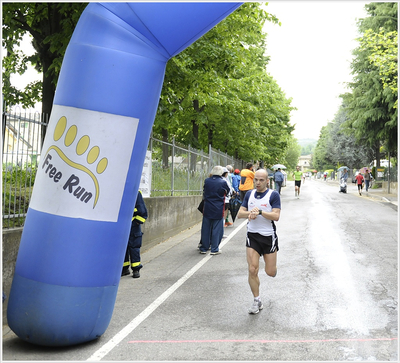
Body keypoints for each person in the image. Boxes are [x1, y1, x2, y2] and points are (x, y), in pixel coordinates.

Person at [237, 169, 281, 314]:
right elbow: (239, 214)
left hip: (268, 237)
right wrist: (250, 213)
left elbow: (276, 216)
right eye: (256, 179)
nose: (258, 182)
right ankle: (257, 301)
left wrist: (261, 212)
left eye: (261, 180)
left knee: (270, 271)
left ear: (267, 181)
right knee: (252, 269)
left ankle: (273, 268)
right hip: (253, 236)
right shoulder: (249, 194)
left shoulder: (273, 195)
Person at [199, 165, 230, 255]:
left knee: (205, 228)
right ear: (221, 173)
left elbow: (204, 190)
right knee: (217, 229)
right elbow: (227, 192)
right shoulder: (223, 182)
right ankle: (214, 248)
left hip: (207, 207)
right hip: (218, 207)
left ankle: (204, 247)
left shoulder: (207, 181)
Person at [122, 190, 148, 278]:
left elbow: (143, 213)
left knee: (134, 247)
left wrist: (134, 223)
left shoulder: (135, 192)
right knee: (123, 248)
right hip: (122, 225)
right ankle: (124, 269)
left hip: (133, 226)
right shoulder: (118, 191)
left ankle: (136, 269)